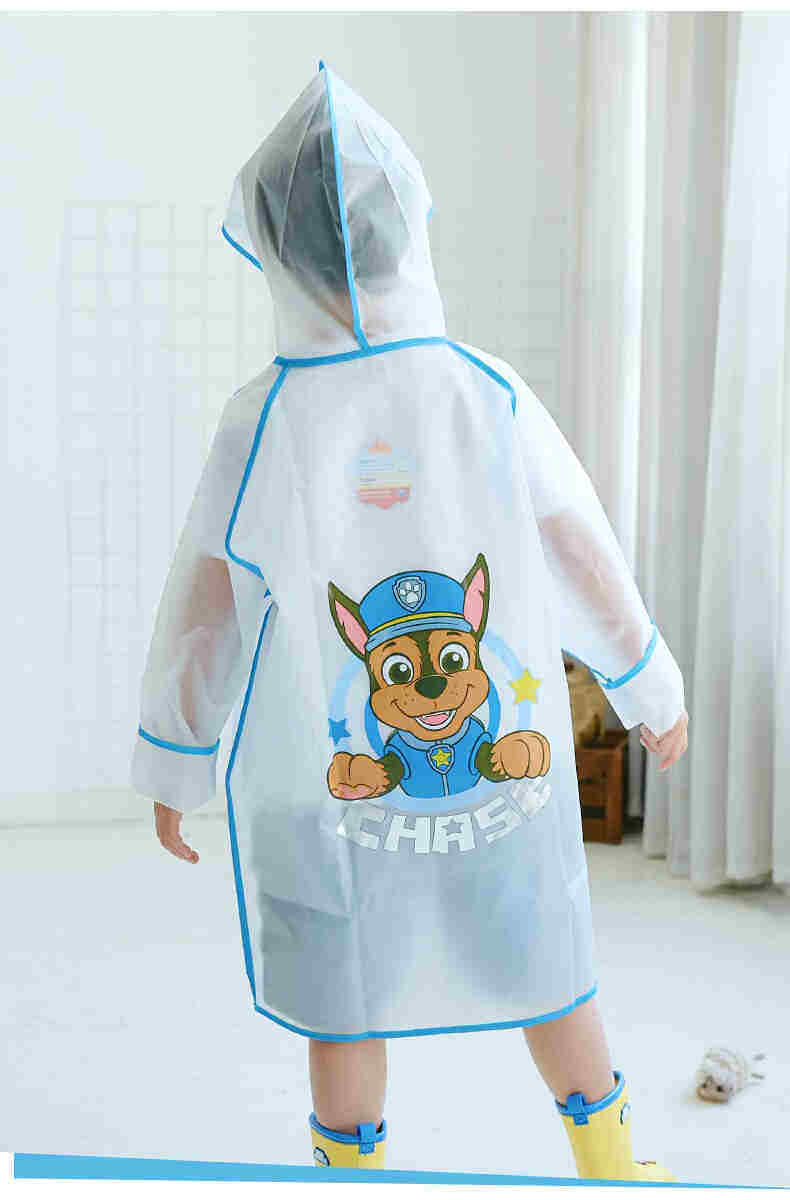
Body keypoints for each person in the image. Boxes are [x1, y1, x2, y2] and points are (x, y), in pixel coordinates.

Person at [131, 62, 688, 1180]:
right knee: (545, 959)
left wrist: (176, 756)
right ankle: (612, 1161)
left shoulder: (264, 417)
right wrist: (646, 683)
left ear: (273, 251)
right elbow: (577, 547)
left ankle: (354, 1173)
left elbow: (207, 600)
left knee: (342, 993)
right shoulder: (483, 389)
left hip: (322, 784)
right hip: (499, 782)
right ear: (409, 233)